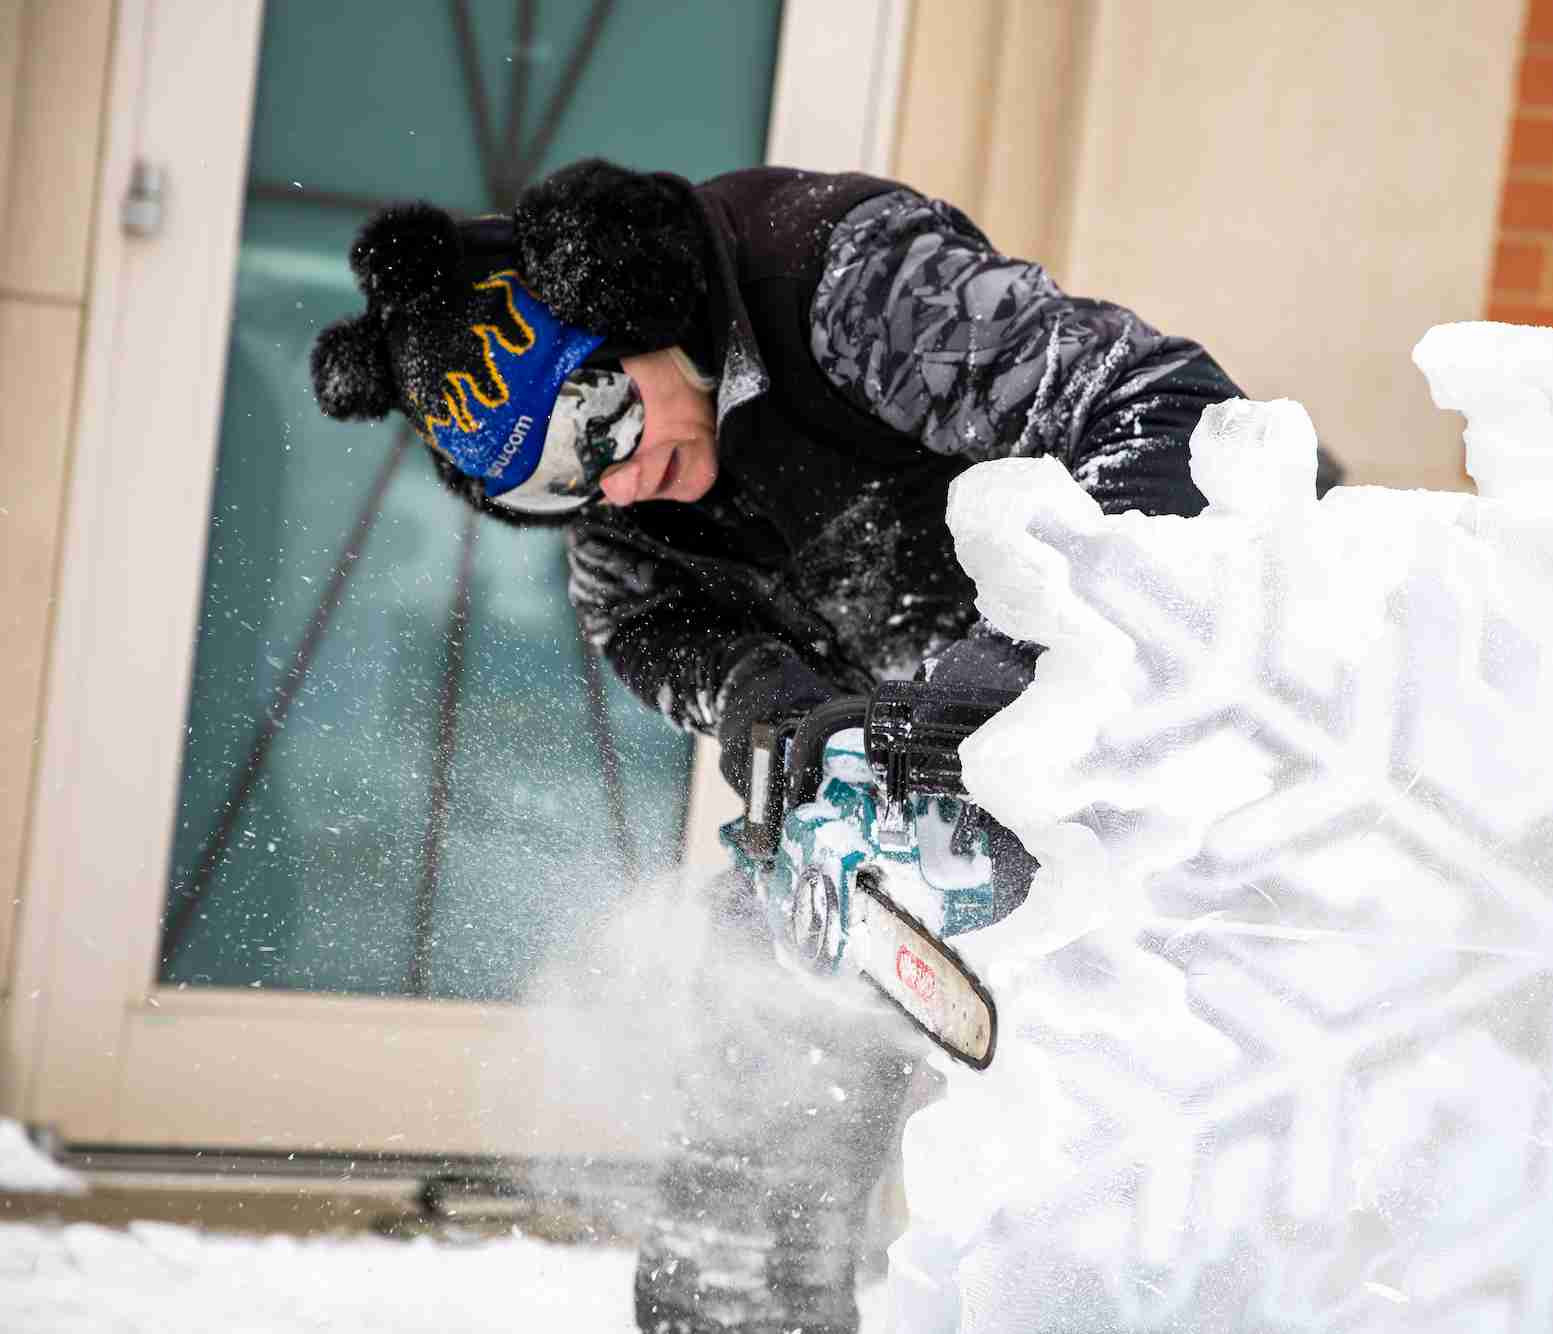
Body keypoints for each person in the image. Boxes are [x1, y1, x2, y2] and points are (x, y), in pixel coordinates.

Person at [310, 158, 1334, 1333]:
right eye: (549, 485)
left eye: (596, 418)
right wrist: (787, 724)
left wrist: (1004, 670)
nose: (615, 481)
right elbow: (682, 652)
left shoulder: (837, 278)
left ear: (632, 305)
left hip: (1232, 721)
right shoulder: (628, 549)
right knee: (773, 977)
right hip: (959, 770)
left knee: (1173, 1177)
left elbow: (1178, 420)